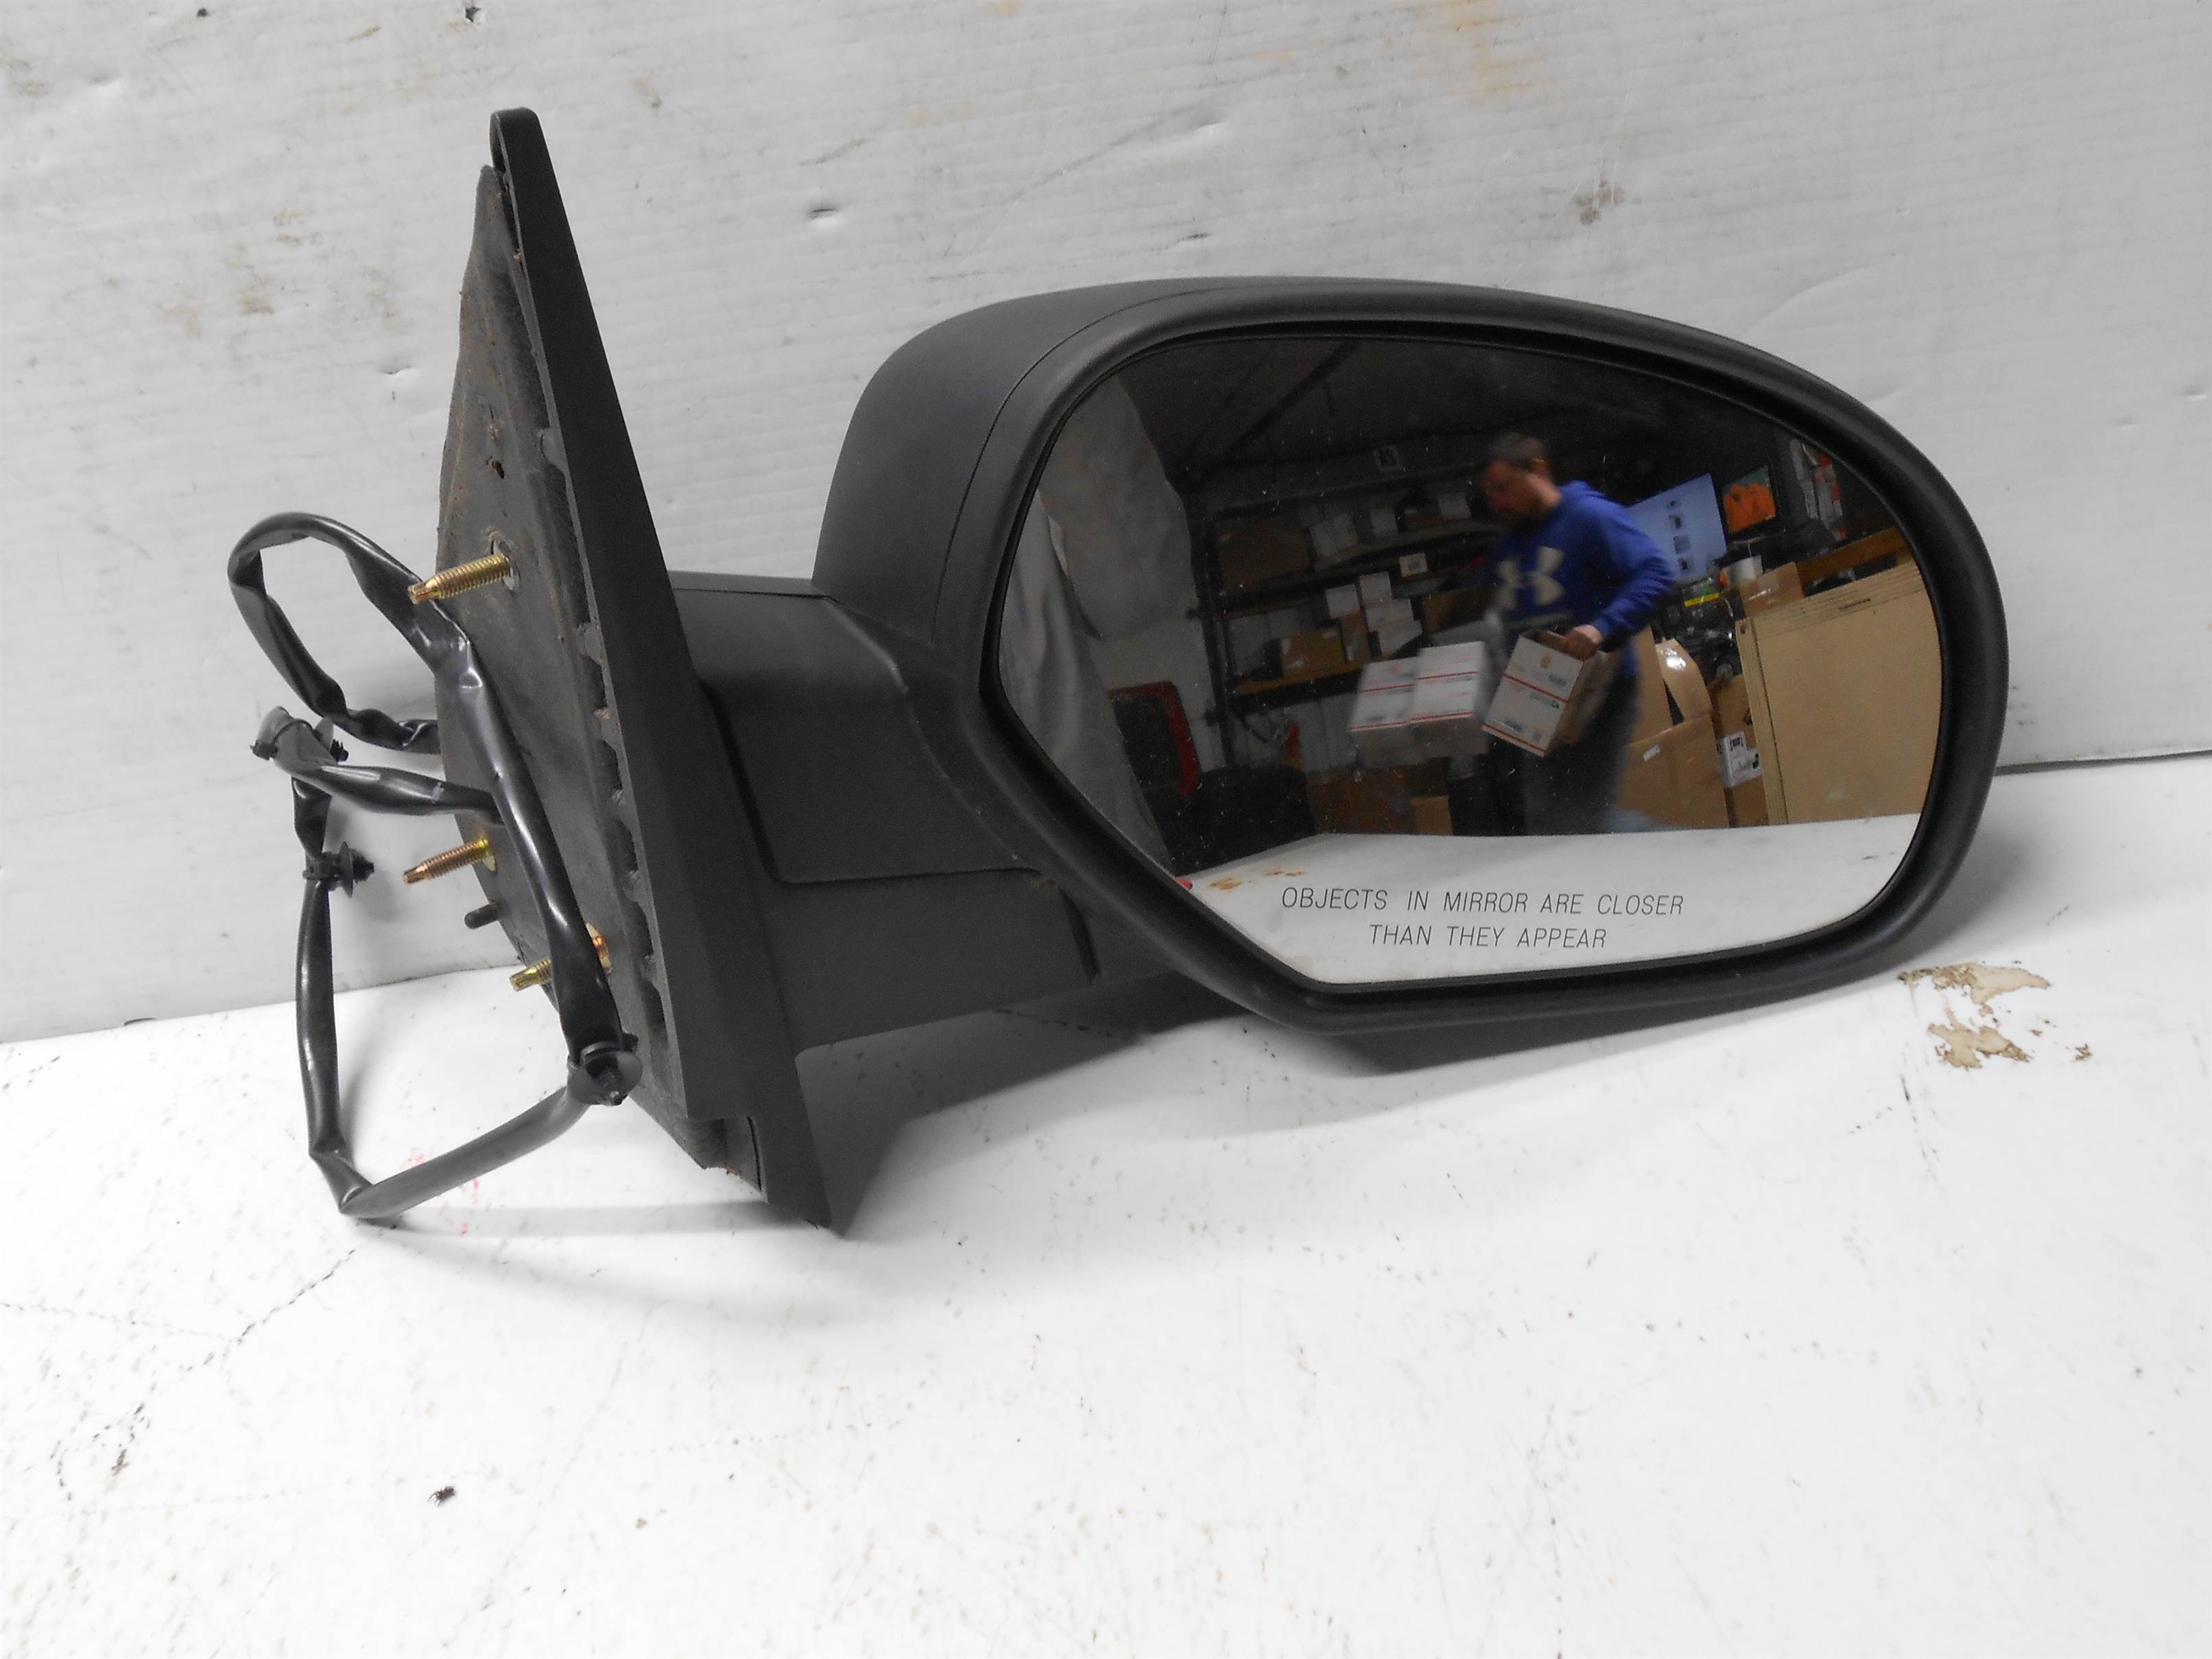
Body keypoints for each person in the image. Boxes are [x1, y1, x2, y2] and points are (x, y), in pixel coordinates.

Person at [1464, 433, 1675, 835]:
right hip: (1536, 696)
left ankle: (1679, 850)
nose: (1497, 502)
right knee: (1546, 826)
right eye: (1491, 493)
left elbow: (1656, 575)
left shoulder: (1589, 516)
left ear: (1539, 470)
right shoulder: (1511, 542)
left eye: (1505, 487)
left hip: (1594, 693)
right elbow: (1491, 611)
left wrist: (1601, 628)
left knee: (1582, 826)